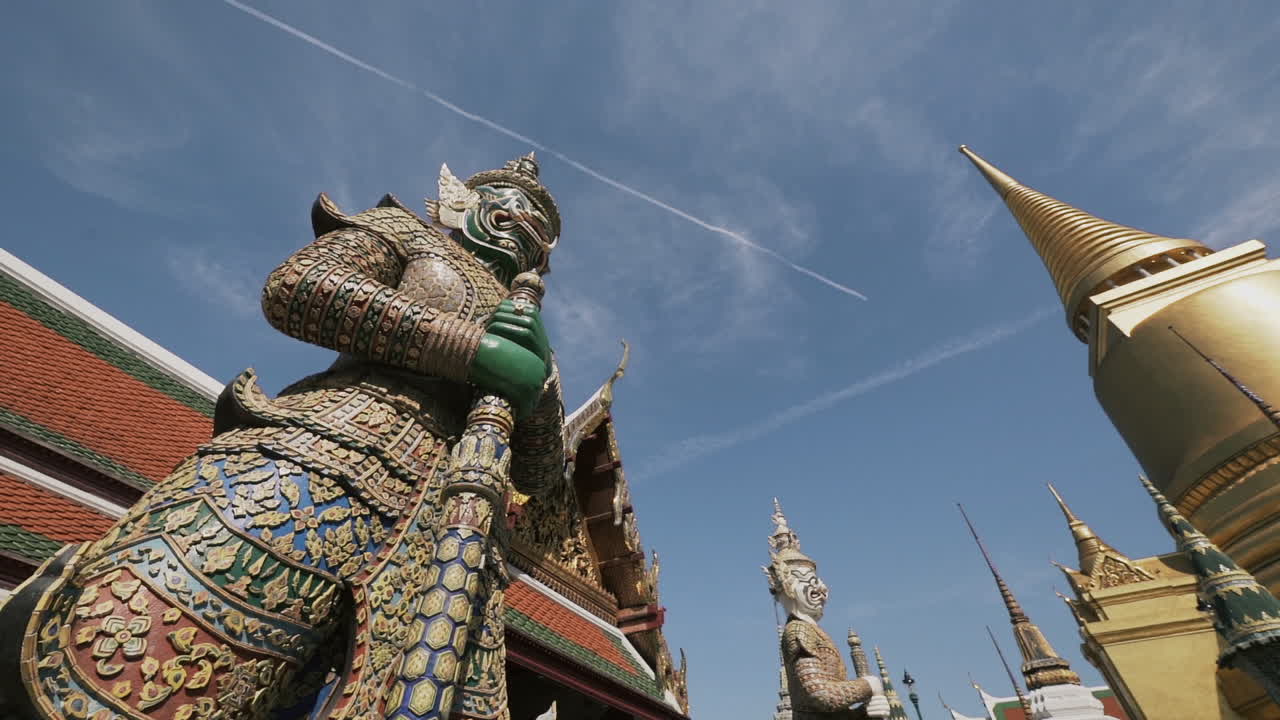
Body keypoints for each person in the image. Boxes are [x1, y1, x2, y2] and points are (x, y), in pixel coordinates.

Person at [0, 153, 565, 720]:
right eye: (509, 209)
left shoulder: (535, 340)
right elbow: (302, 288)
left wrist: (534, 385)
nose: (523, 227)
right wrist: (471, 351)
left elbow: (539, 474)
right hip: (331, 450)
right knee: (153, 666)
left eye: (539, 229)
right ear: (465, 205)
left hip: (456, 520)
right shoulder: (407, 236)